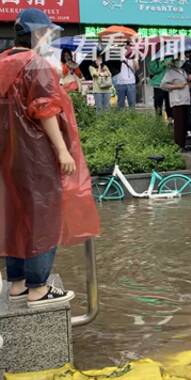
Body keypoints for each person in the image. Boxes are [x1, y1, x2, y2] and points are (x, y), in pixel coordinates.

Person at [0, 8, 100, 307]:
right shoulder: (35, 65)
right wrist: (60, 149)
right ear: (35, 34)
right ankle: (38, 288)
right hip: (36, 157)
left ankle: (16, 283)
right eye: (45, 33)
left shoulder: (3, 62)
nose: (47, 38)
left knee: (13, 215)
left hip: (7, 158)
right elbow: (45, 109)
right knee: (42, 217)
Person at [161, 57, 191, 150]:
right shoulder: (170, 72)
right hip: (177, 101)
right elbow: (162, 85)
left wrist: (189, 81)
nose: (180, 62)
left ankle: (183, 144)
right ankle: (178, 145)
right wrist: (176, 86)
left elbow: (186, 84)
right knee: (179, 124)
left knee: (185, 124)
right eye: (178, 60)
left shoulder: (183, 71)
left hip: (186, 100)